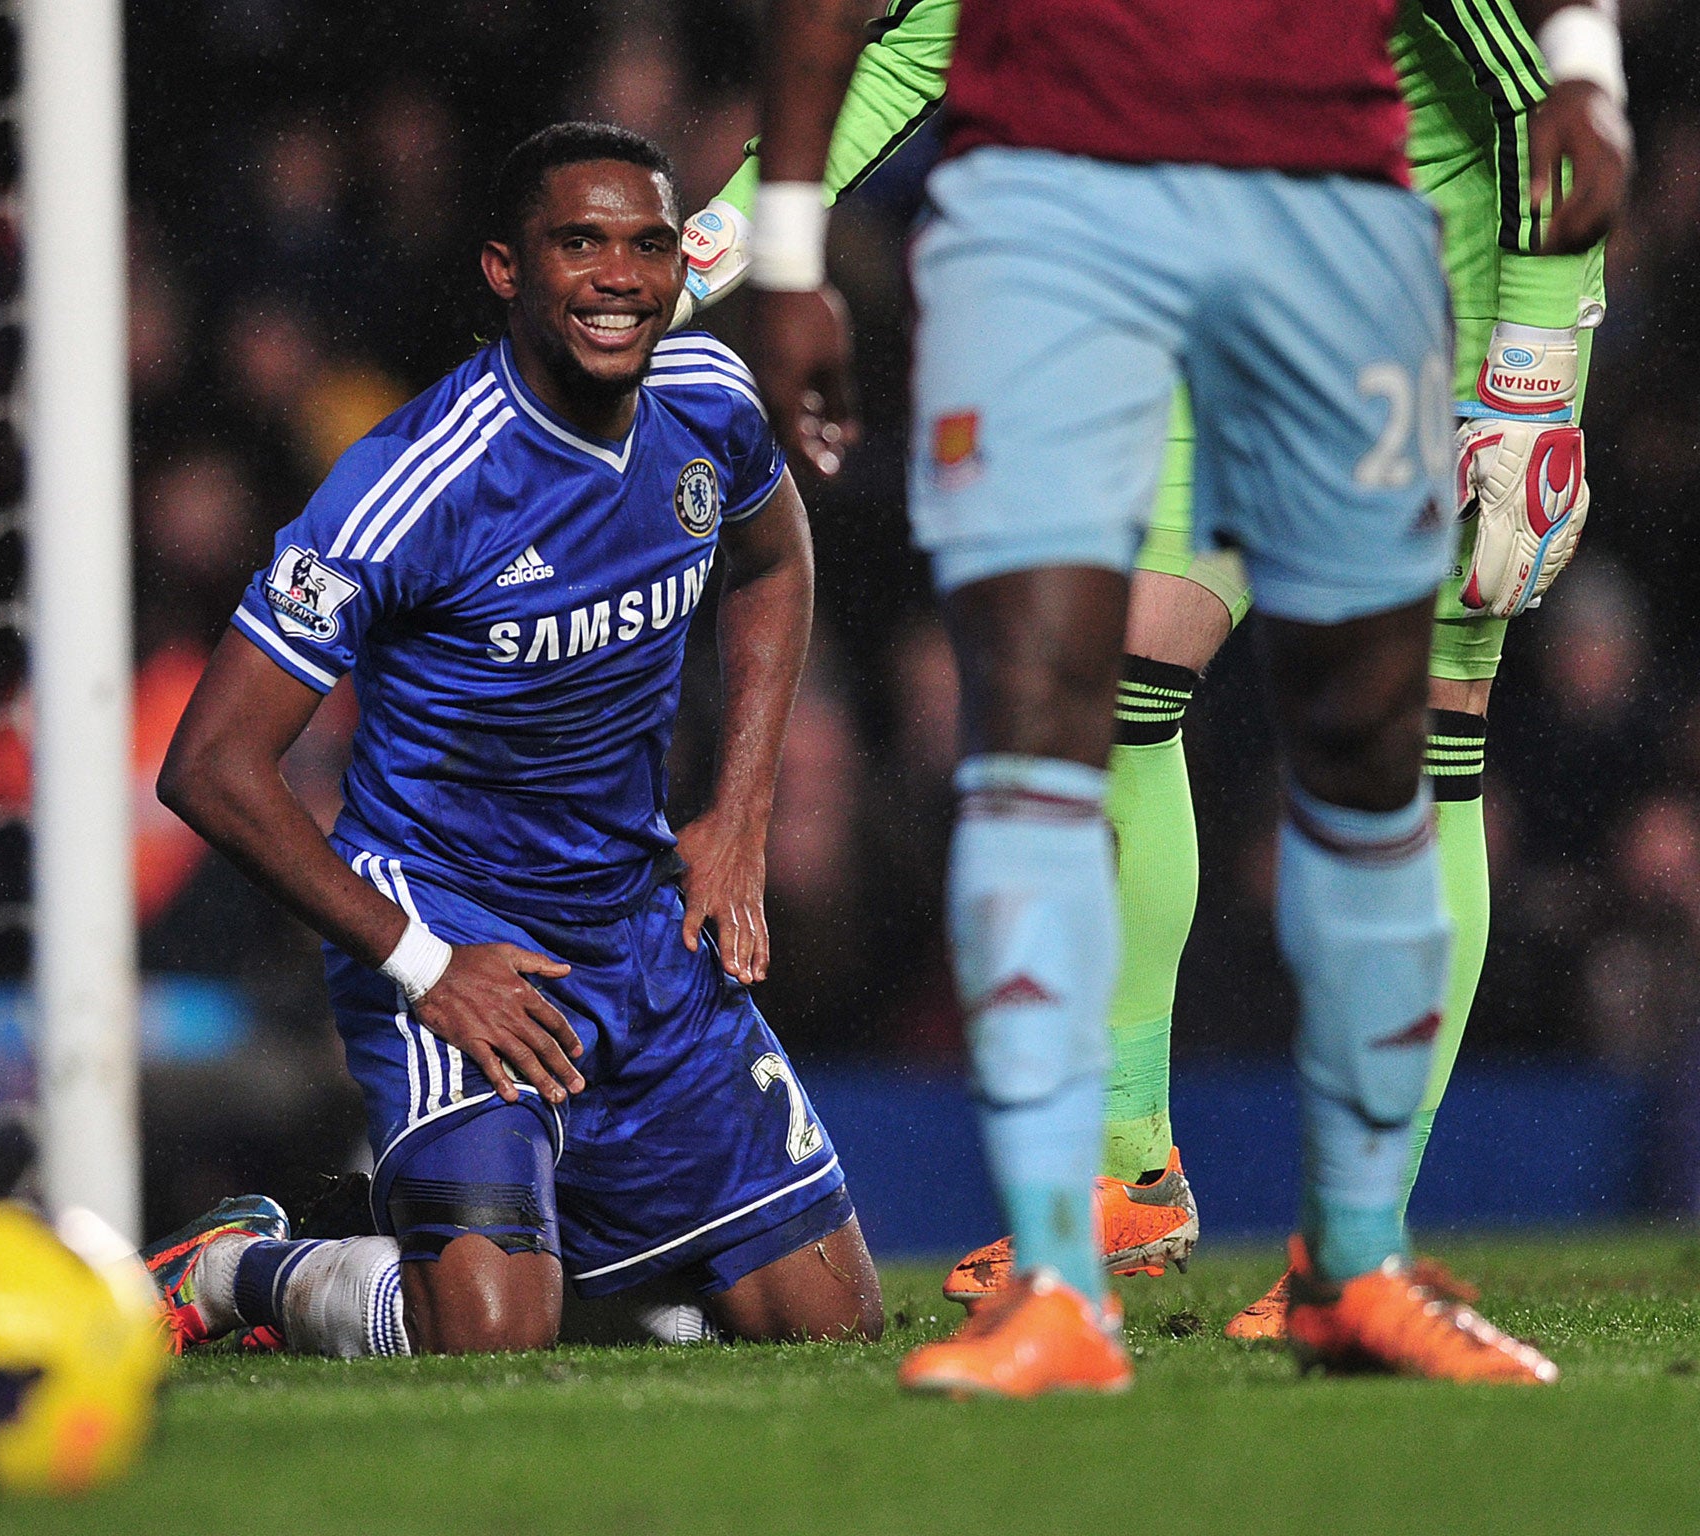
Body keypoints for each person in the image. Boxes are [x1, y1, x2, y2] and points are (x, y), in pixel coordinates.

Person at [679, 0, 1627, 1336]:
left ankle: (1359, 1247)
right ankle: (1126, 1171)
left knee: (1409, 744)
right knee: (1108, 687)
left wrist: (1533, 369)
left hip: (1433, 278)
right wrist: (722, 235)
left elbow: (1541, 88)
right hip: (1209, 258)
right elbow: (915, 36)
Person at [139, 122, 883, 1358]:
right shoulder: (412, 482)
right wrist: (427, 964)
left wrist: (740, 807)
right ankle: (241, 1273)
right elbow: (209, 764)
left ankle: (608, 1286)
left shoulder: (705, 402)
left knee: (832, 1329)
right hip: (451, 926)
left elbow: (772, 561)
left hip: (634, 920)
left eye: (646, 245)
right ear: (504, 271)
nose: (617, 277)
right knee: (488, 1338)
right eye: (577, 245)